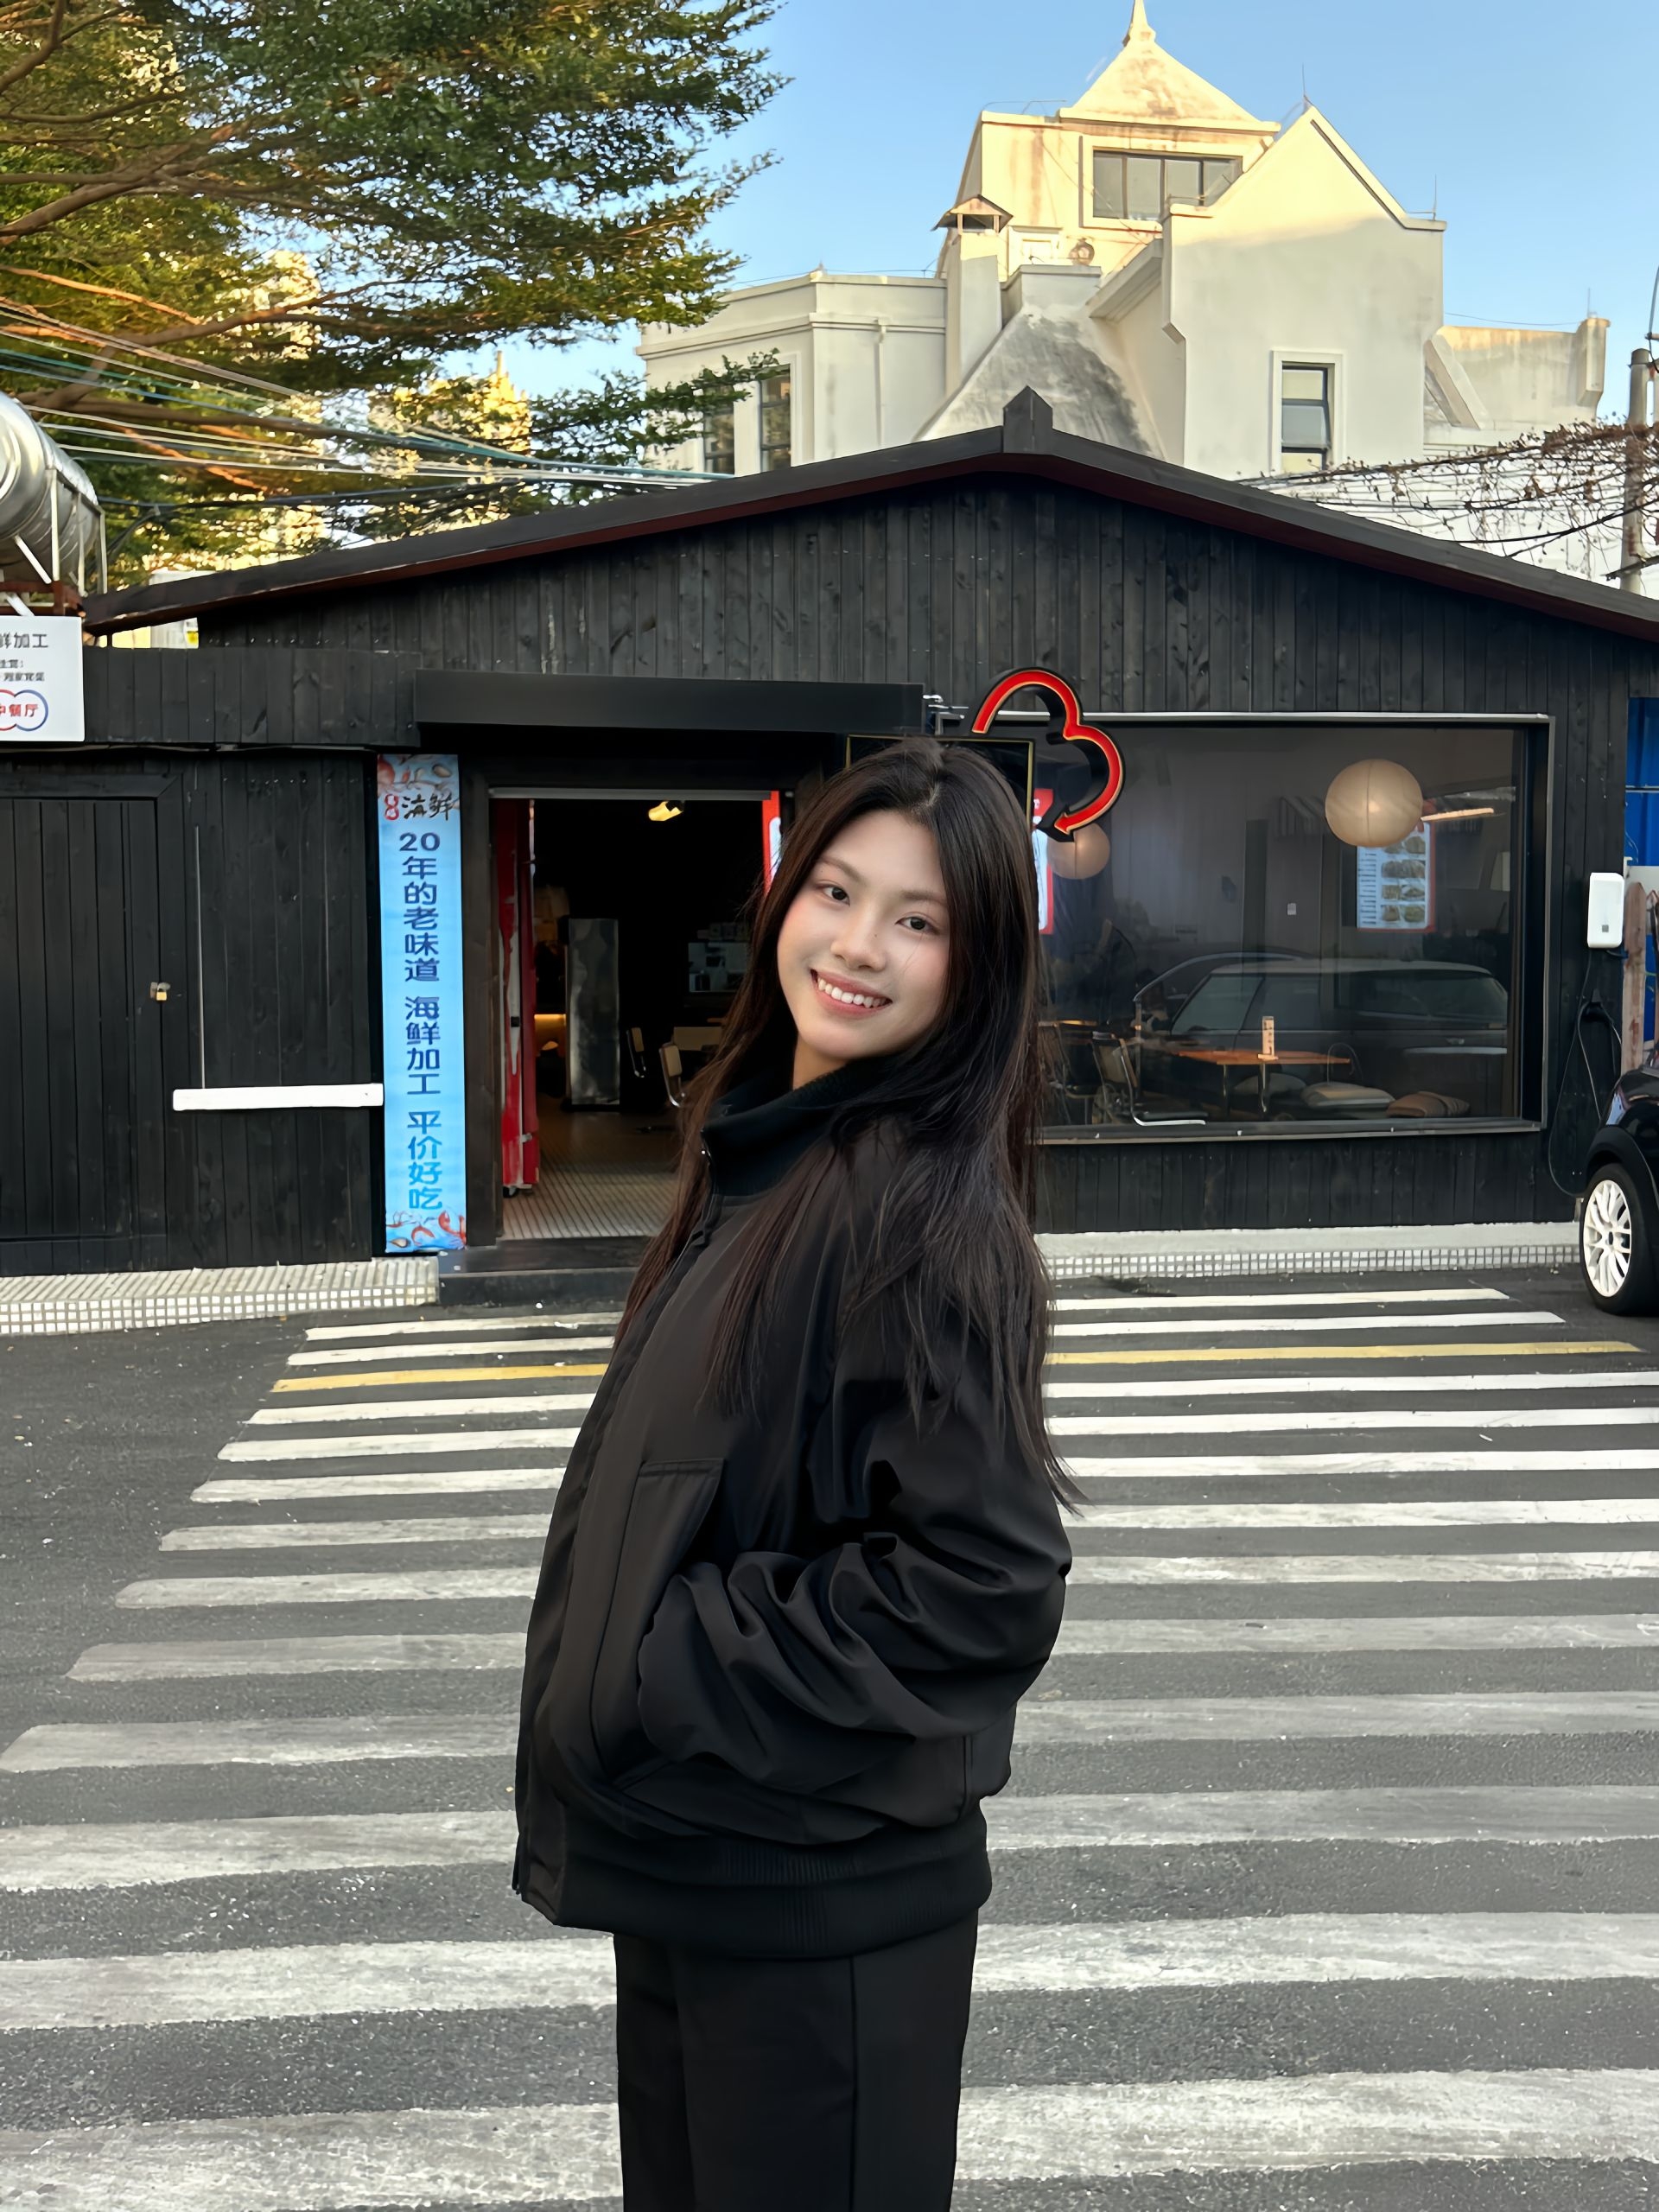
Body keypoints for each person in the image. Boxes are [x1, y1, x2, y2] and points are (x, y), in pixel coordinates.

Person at [512, 737, 1076, 2212]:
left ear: (977, 966)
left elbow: (983, 1586)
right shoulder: (765, 1156)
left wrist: (665, 1668)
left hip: (817, 1917)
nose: (858, 944)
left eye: (918, 919)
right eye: (836, 890)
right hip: (705, 1866)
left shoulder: (912, 1211)